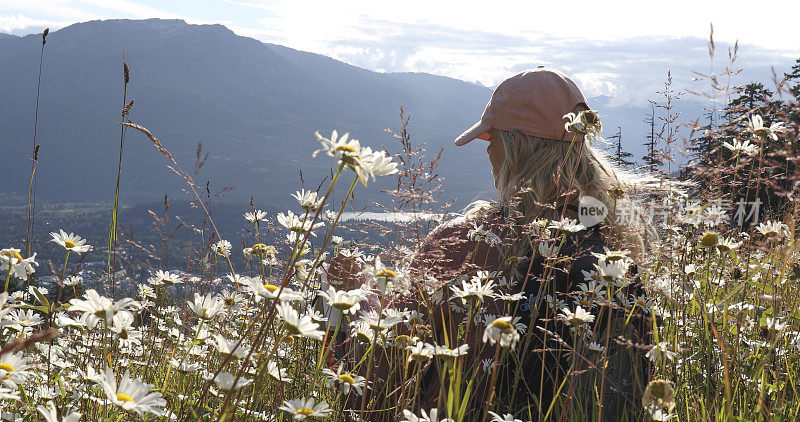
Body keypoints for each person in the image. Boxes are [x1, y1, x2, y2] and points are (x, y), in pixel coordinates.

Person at [332, 68, 652, 421]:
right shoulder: (615, 256)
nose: (487, 150)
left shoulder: (461, 244)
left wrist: (359, 296)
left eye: (493, 137)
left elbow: (382, 381)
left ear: (518, 147)